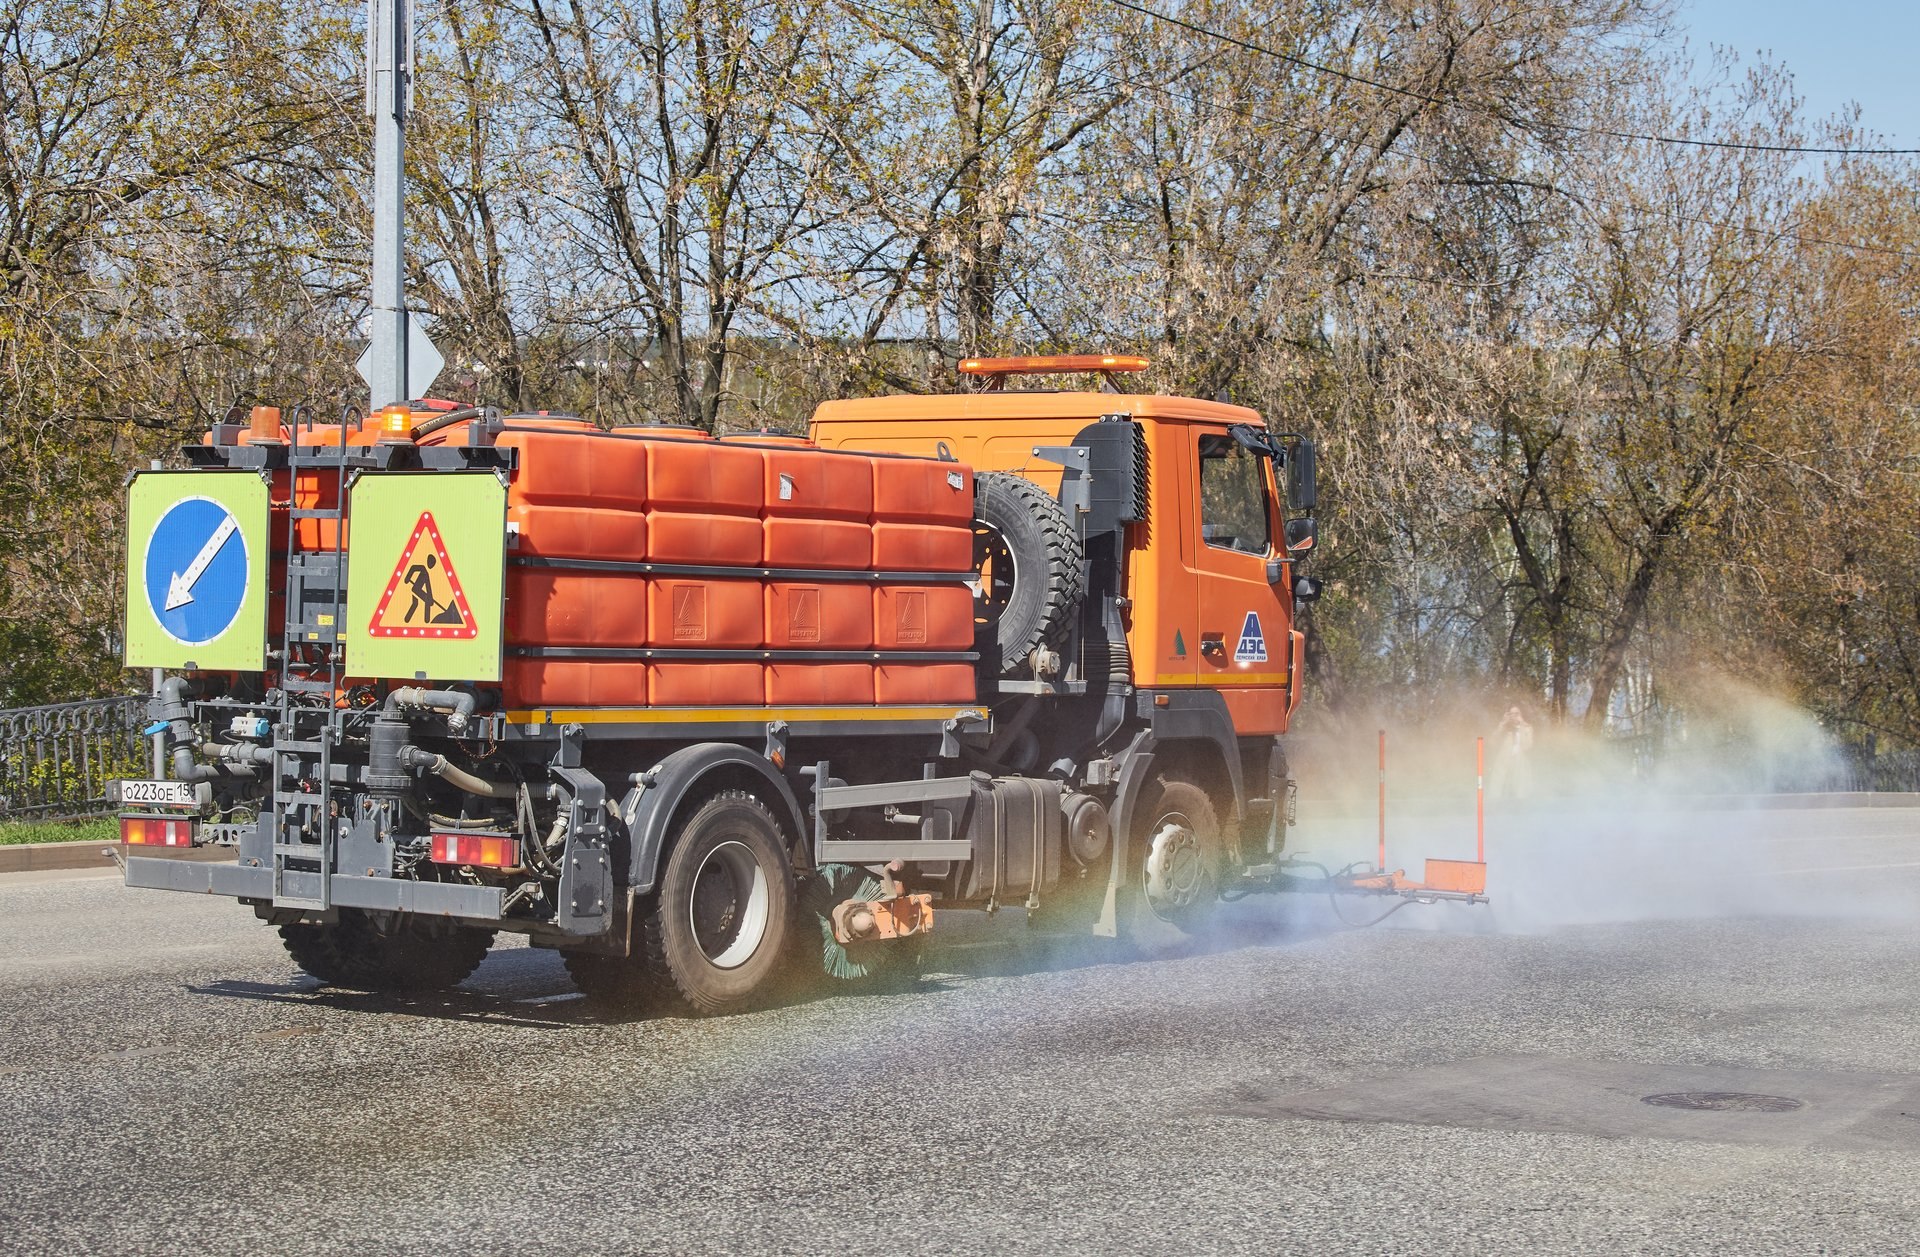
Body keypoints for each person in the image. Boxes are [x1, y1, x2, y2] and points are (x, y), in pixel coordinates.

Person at [1491, 705, 1535, 800]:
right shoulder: (1504, 726)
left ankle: (1519, 805)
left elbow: (1528, 746)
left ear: (1521, 714)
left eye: (1516, 713)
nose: (1514, 716)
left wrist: (1522, 724)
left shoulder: (1527, 727)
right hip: (1503, 760)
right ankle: (1497, 804)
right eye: (1511, 714)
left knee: (1520, 787)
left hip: (1520, 761)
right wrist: (1502, 723)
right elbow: (1493, 741)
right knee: (1499, 785)